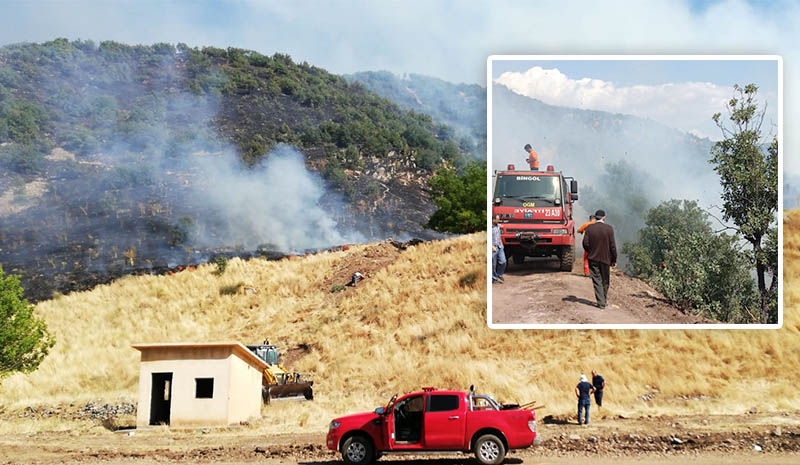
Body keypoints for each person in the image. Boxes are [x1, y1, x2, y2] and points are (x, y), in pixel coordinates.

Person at [582, 209, 617, 309]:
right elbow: (613, 246)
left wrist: (591, 251)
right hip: (606, 259)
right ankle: (603, 300)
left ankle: (601, 302)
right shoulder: (609, 228)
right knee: (605, 280)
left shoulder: (589, 228)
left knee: (597, 280)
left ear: (595, 217)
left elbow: (585, 244)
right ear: (604, 218)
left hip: (593, 258)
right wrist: (614, 260)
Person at [492, 215, 506, 284]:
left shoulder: (498, 226)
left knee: (503, 261)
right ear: (493, 220)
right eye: (497, 219)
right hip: (493, 247)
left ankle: (499, 274)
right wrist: (491, 247)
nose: (499, 220)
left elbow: (498, 235)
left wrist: (502, 244)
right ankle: (494, 279)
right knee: (493, 265)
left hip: (499, 247)